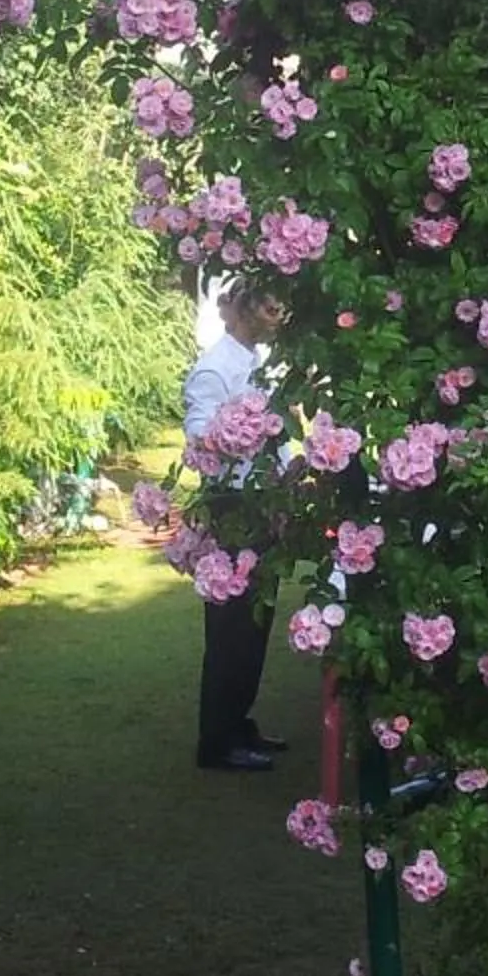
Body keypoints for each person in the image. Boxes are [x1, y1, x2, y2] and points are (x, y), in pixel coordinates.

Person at [187, 285, 289, 772]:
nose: (278, 313)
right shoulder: (214, 368)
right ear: (245, 308)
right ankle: (217, 741)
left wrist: (290, 476)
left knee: (256, 626)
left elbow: (279, 432)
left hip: (265, 503)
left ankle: (239, 724)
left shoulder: (258, 363)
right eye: (270, 304)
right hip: (234, 508)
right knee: (230, 630)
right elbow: (200, 443)